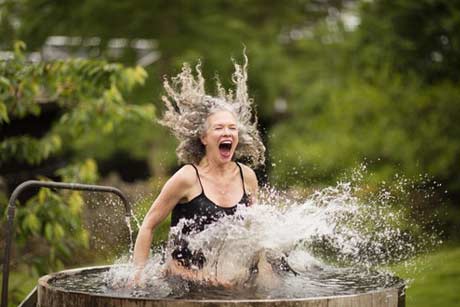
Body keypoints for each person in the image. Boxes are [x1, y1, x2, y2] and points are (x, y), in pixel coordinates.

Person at [132, 54, 266, 286]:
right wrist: (137, 277)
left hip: (226, 281)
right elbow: (148, 224)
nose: (227, 133)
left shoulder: (247, 177)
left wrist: (266, 279)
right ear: (204, 137)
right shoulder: (187, 177)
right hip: (182, 281)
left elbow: (258, 234)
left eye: (232, 128)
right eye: (219, 128)